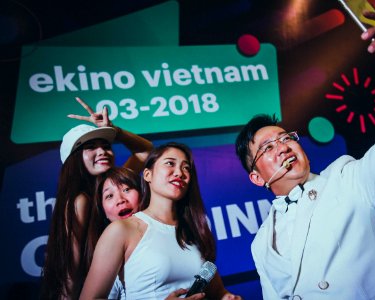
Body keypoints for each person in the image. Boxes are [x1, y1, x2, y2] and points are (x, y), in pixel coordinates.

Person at [234, 11, 375, 299]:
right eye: (268, 147)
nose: (283, 146)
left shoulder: (347, 177)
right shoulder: (260, 244)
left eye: (286, 138)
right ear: (257, 178)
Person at [80, 142, 240, 300]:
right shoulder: (121, 230)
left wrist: (225, 296)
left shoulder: (194, 228)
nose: (179, 172)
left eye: (186, 168)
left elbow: (217, 291)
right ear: (147, 174)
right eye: (170, 163)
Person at [40, 97, 153, 300]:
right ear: (74, 159)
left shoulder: (114, 184)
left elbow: (145, 150)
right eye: (91, 147)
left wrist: (114, 130)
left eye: (106, 145)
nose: (102, 151)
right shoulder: (79, 201)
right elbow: (71, 273)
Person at [88, 166, 148, 299]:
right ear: (103, 210)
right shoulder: (109, 255)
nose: (121, 199)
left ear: (143, 193)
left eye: (127, 189)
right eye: (109, 196)